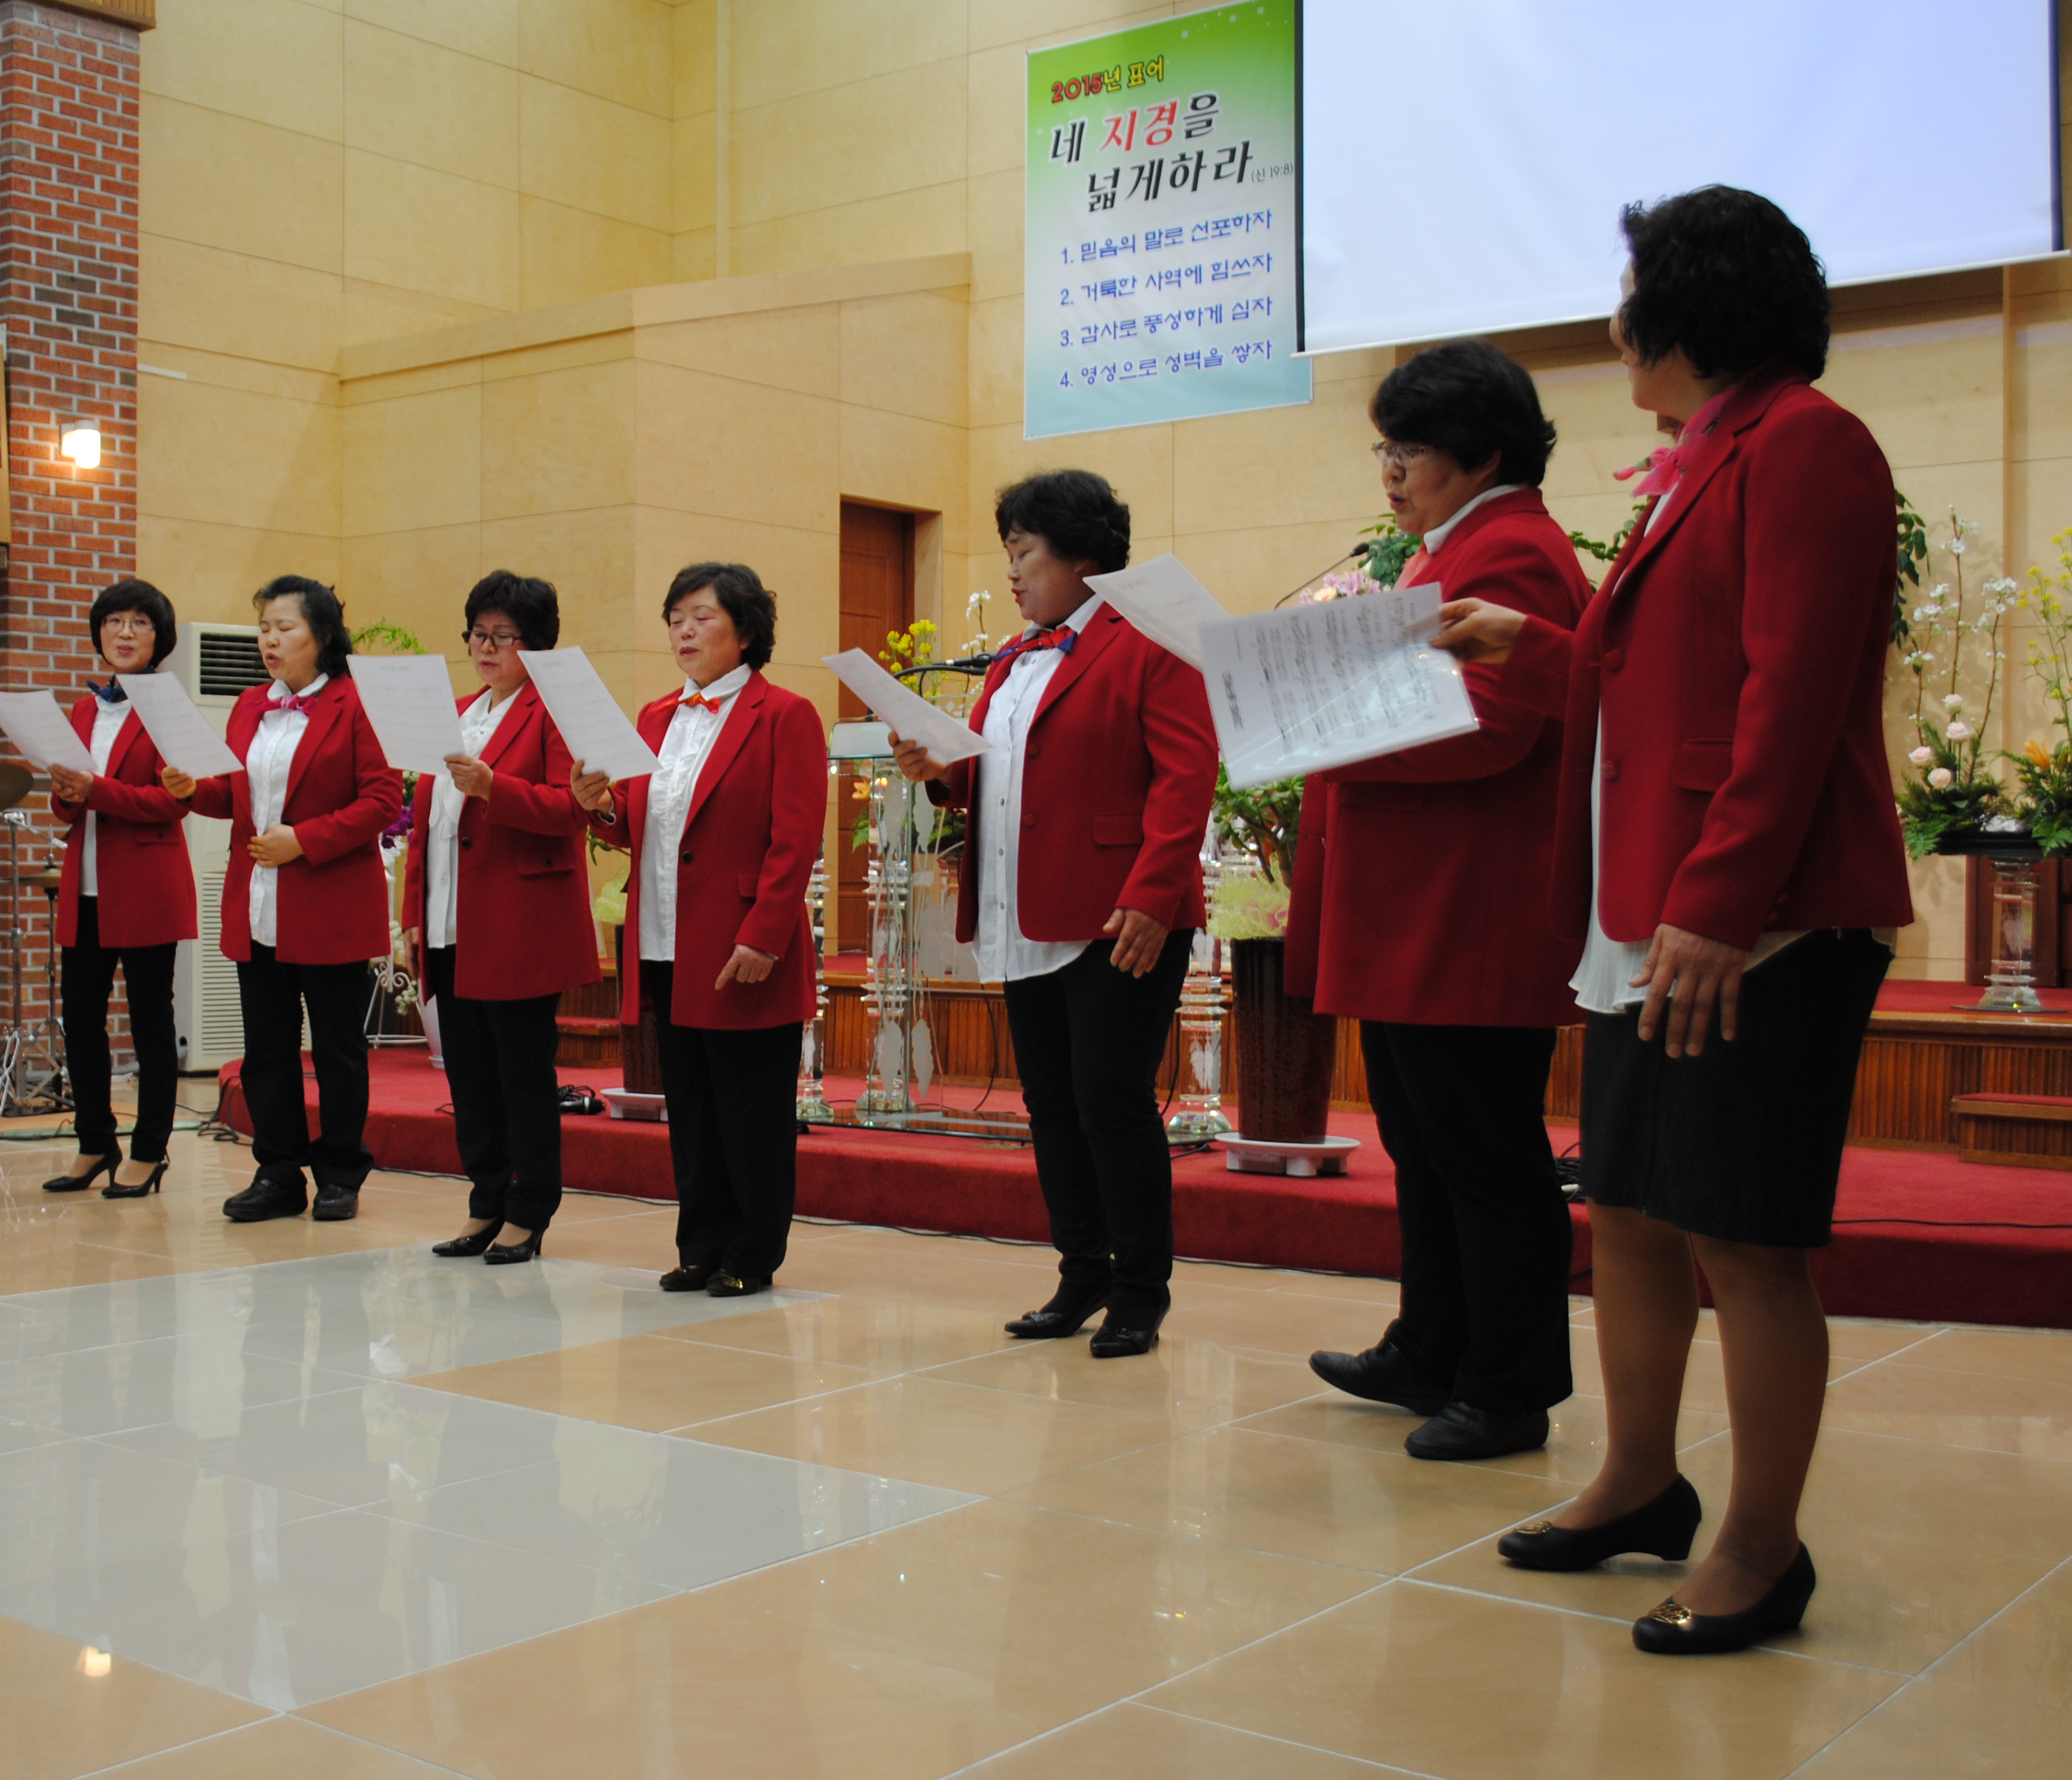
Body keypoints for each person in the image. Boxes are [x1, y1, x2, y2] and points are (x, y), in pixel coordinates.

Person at [1433, 186, 1911, 1654]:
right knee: (1631, 1211)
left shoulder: (1808, 444)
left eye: (1629, 291)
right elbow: (1658, 679)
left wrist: (1718, 901)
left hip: (1754, 918)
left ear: (1689, 309)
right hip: (1648, 902)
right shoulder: (1703, 455)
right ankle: (1639, 1479)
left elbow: (1791, 694)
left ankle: (1762, 1546)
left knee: (1744, 1237)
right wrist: (1537, 642)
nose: (1613, 322)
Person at [1287, 342, 1595, 1457]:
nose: (1390, 470)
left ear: (1482, 453)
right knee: (1425, 1141)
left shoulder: (1510, 549)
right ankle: (1431, 1348)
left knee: (1484, 1152)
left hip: (1468, 908)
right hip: (1424, 901)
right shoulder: (1454, 545)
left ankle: (1509, 1385)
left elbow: (1492, 722)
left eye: (1409, 449)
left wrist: (1320, 727)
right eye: (1385, 447)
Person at [891, 472, 1216, 1358]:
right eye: (1007, 554)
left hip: (1118, 916)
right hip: (1023, 909)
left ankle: (1139, 1292)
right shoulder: (1011, 657)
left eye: (1023, 552)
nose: (1010, 571)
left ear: (1081, 557)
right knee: (1050, 1105)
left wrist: (1152, 894)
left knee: (1110, 1102)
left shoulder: (1148, 639)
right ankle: (1081, 1274)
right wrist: (940, 771)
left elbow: (1185, 776)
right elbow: (995, 773)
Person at [572, 562, 826, 1296]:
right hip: (662, 936)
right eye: (675, 618)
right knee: (690, 1105)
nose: (683, 631)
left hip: (740, 940)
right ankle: (701, 1245)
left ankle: (751, 1254)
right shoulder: (654, 716)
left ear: (745, 631)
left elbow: (796, 838)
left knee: (751, 1110)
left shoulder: (784, 714)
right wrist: (599, 805)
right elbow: (637, 822)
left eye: (701, 616)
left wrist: (765, 933)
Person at [186, 575, 402, 1225]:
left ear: (324, 635)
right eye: (264, 628)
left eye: (285, 628)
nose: (270, 640)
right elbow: (234, 796)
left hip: (330, 905)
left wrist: (304, 841)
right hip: (258, 904)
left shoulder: (358, 703)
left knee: (337, 1050)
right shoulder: (250, 704)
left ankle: (340, 1173)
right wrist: (188, 791)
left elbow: (382, 802)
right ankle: (277, 1172)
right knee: (267, 1049)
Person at [399, 572, 601, 1264]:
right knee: (468, 1075)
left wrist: (495, 787)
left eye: (503, 636)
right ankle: (485, 1198)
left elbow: (572, 812)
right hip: (449, 920)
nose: (486, 648)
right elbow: (425, 826)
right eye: (478, 634)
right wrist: (411, 916)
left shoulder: (553, 714)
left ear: (535, 645)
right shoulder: (457, 713)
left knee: (520, 1074)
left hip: (518, 924)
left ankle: (529, 1207)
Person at [43, 577, 194, 1198]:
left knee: (150, 1023)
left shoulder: (169, 706)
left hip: (146, 885)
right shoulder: (84, 709)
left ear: (160, 638)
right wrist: (66, 793)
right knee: (80, 1021)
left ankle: (150, 1150)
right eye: (113, 622)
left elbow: (174, 803)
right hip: (85, 883)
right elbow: (67, 805)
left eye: (139, 623)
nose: (124, 633)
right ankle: (94, 1142)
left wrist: (96, 790)